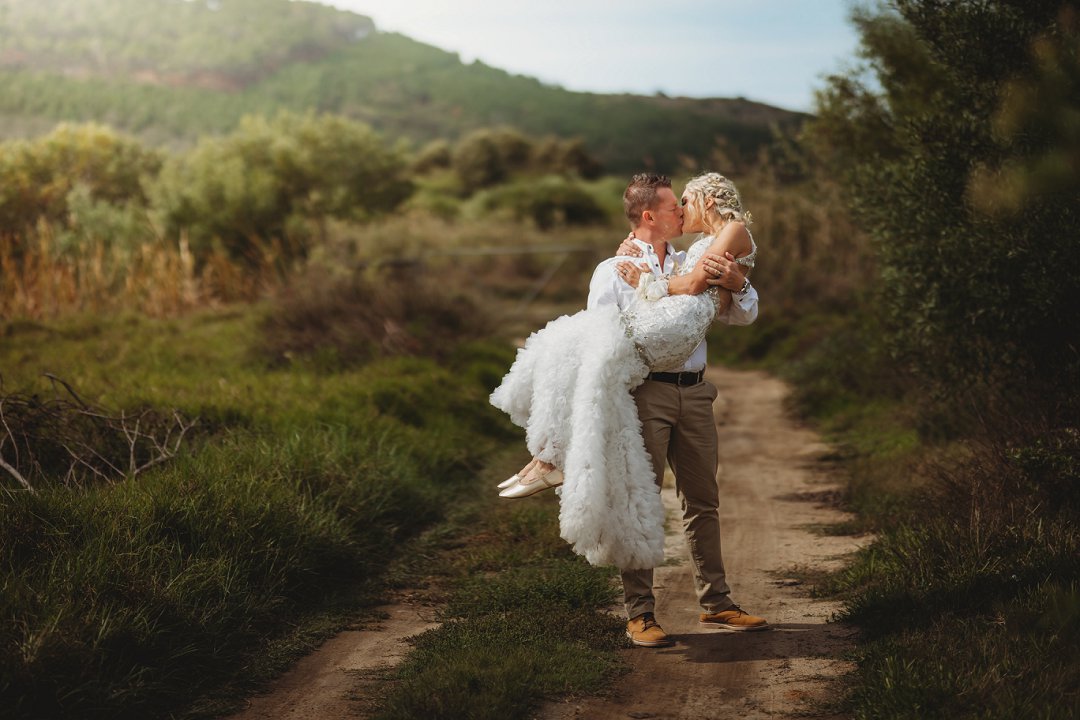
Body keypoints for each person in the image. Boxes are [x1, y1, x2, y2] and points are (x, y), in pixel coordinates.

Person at [489, 172, 769, 646]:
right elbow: (604, 337)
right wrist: (651, 284)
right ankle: (640, 614)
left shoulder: (689, 257)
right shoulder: (613, 268)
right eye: (674, 206)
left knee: (703, 500)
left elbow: (739, 313)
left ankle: (717, 603)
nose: (681, 211)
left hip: (696, 391)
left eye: (684, 203)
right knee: (639, 496)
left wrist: (739, 283)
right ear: (650, 216)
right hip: (647, 392)